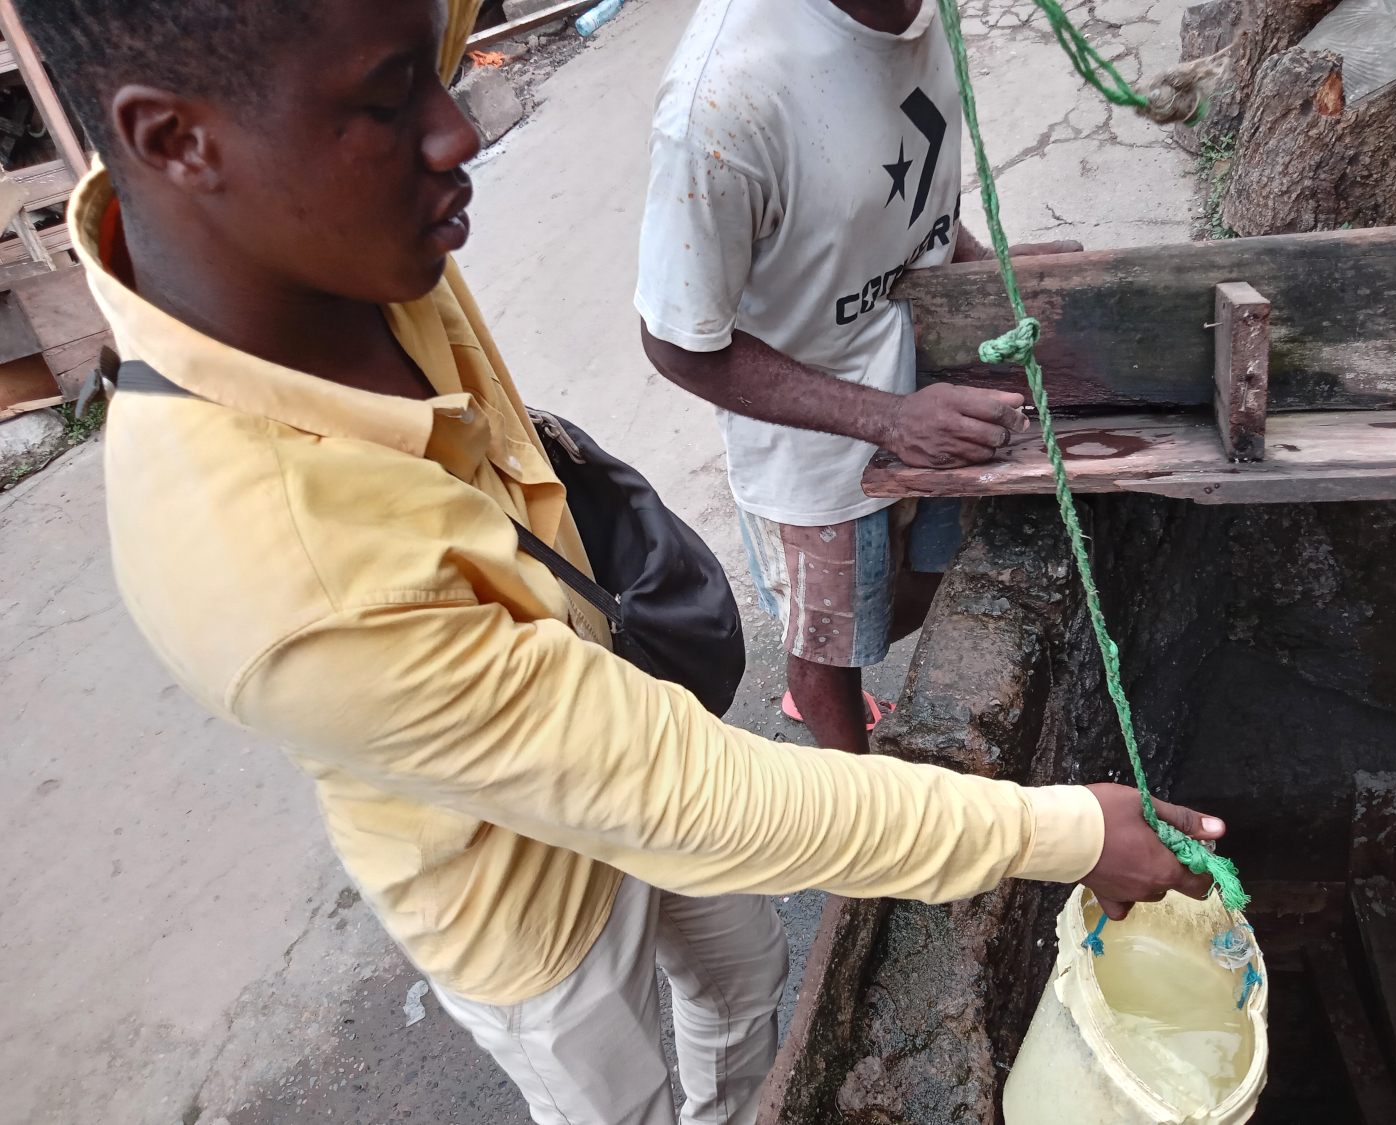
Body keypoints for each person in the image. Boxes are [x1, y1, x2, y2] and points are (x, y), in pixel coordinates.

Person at [25, 1, 1224, 1124]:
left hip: (620, 703)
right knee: (619, 1098)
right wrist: (1067, 832)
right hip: (525, 909)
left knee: (745, 985)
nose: (461, 132)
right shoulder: (282, 581)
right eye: (396, 99)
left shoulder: (296, 234)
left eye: (440, 70)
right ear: (178, 141)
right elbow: (691, 795)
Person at [637, 0, 1080, 754]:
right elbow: (677, 343)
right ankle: (858, 834)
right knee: (829, 653)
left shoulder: (916, 13)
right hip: (810, 449)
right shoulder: (719, 108)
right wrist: (892, 421)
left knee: (925, 583)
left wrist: (988, 275)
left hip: (934, 382)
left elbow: (894, 201)